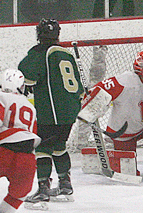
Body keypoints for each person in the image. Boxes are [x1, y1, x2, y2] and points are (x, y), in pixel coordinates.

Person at [18, 18, 84, 206]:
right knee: (59, 145)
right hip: (70, 110)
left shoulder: (40, 52)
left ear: (39, 34)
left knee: (42, 148)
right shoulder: (67, 54)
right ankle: (65, 185)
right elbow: (78, 86)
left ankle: (43, 189)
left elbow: (26, 76)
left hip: (51, 110)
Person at [0, 69, 41, 213]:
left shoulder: (1, 96)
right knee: (20, 193)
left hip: (3, 151)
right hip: (26, 155)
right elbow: (33, 131)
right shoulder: (30, 106)